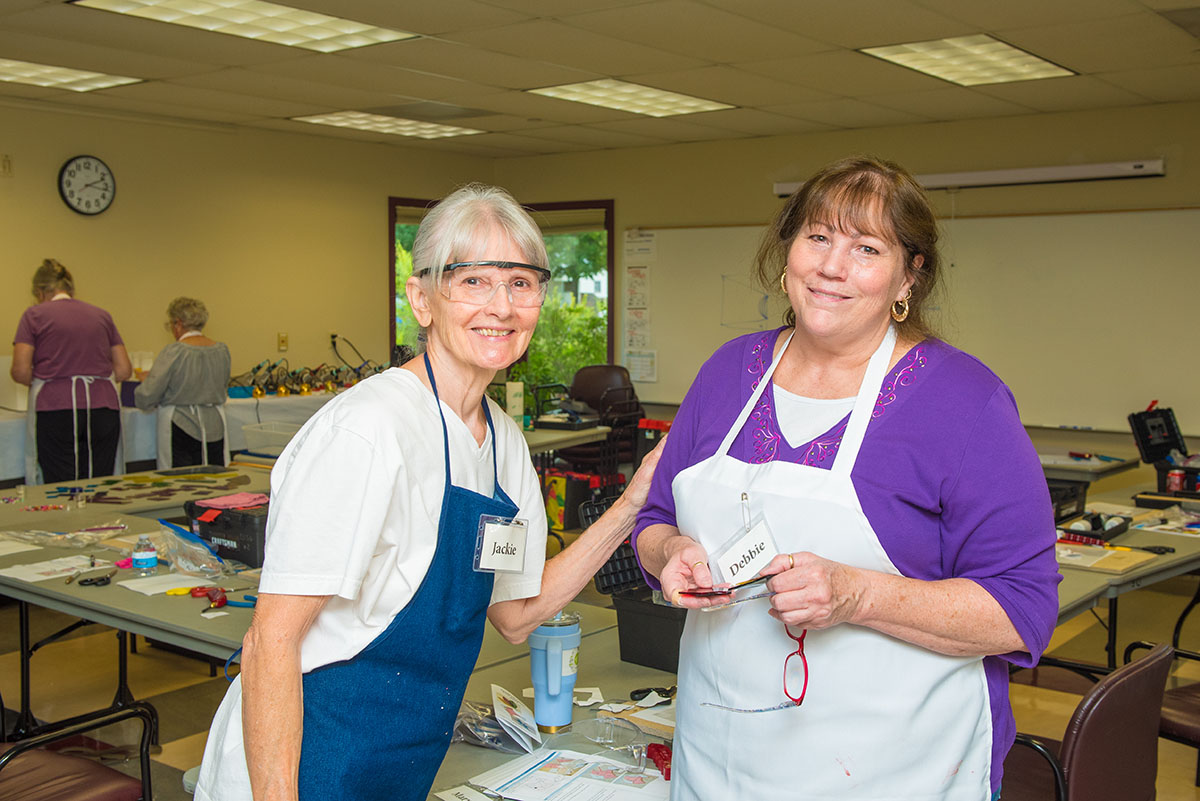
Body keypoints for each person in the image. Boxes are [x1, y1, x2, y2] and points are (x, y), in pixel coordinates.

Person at [196, 184, 663, 801]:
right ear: (421, 299)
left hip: (405, 753)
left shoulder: (503, 444)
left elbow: (516, 615)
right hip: (303, 756)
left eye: (522, 283)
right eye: (471, 281)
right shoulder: (366, 430)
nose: (501, 305)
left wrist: (633, 503)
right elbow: (271, 643)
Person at [632, 156, 1060, 800]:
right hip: (719, 759)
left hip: (898, 772)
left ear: (908, 275)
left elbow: (1022, 612)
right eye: (818, 237)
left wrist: (858, 596)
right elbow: (652, 520)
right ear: (788, 251)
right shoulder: (726, 373)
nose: (832, 266)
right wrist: (671, 555)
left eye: (866, 248)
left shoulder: (965, 402)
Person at [10, 259, 132, 484]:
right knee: (100, 480)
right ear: (70, 288)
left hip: (57, 408)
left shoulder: (34, 315)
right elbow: (124, 370)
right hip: (103, 408)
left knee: (60, 482)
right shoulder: (102, 315)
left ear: (40, 291)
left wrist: (46, 380)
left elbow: (19, 369)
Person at [134, 297, 232, 468]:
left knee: (181, 482)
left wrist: (146, 383)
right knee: (215, 476)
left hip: (179, 424)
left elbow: (148, 395)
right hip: (214, 422)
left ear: (178, 323)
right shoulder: (221, 350)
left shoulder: (174, 352)